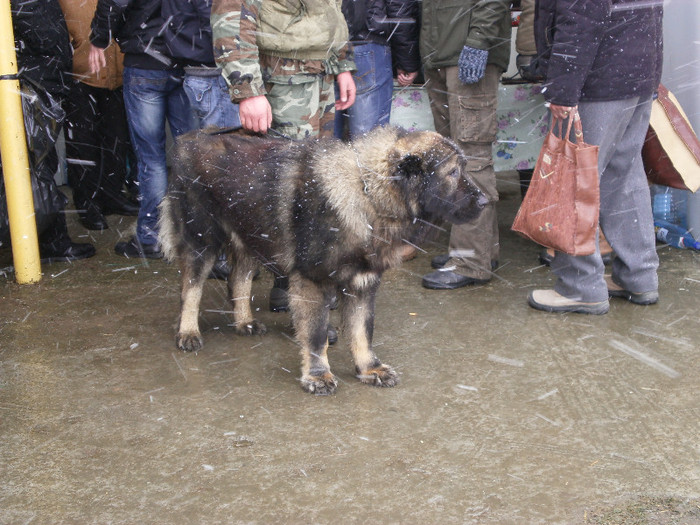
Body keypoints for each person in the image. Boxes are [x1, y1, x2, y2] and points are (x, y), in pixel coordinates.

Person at [212, 0, 357, 312]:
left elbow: (330, 8)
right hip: (281, 83)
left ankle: (305, 278)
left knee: (316, 185)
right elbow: (232, 17)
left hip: (320, 79)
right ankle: (289, 285)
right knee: (284, 189)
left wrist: (342, 63)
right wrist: (247, 89)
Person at [527, 0, 663, 314]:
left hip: (600, 80)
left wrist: (563, 89)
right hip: (636, 73)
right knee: (625, 176)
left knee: (574, 181)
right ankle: (639, 277)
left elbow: (579, 22)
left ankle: (580, 287)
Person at [90, 0, 195, 259]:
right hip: (187, 60)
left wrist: (99, 39)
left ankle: (151, 237)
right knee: (192, 156)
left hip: (145, 62)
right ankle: (195, 238)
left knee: (151, 159)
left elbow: (115, 2)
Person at [418, 0, 512, 290]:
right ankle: (480, 250)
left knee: (470, 158)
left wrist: (477, 43)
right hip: (443, 54)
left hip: (467, 54)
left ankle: (470, 261)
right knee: (452, 159)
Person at [7, 0, 96, 264]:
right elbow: (45, 37)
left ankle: (45, 238)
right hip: (33, 85)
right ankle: (51, 241)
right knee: (38, 163)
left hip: (35, 82)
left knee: (36, 163)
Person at [58, 0, 138, 232]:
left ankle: (111, 195)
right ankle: (87, 204)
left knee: (116, 139)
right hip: (79, 76)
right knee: (82, 144)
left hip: (119, 74)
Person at [334, 0, 421, 140]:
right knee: (369, 141)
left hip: (325, 47)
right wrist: (407, 61)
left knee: (325, 143)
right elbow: (399, 8)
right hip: (366, 44)